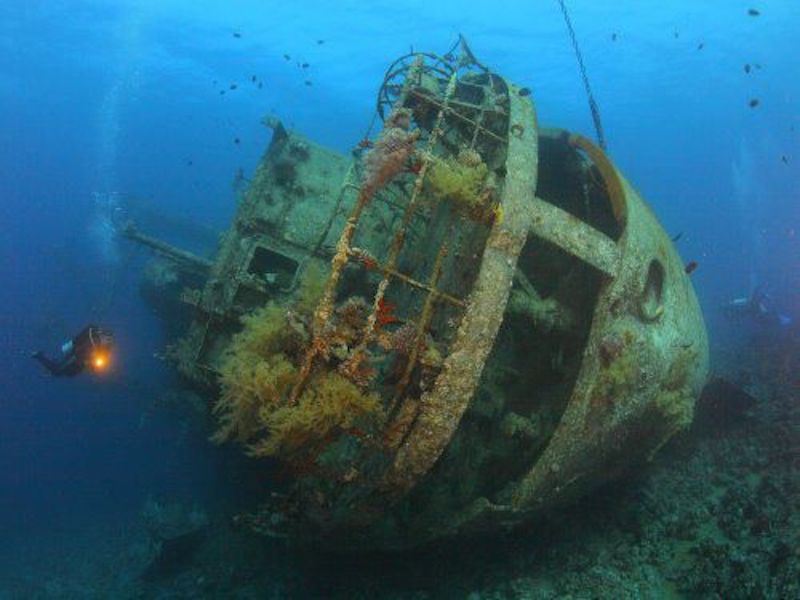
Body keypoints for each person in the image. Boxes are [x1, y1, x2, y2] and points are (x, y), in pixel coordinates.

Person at [32, 325, 114, 377]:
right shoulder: (93, 337)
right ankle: (39, 356)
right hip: (75, 356)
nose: (107, 341)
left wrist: (95, 365)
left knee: (67, 374)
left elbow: (98, 363)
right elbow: (81, 345)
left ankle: (53, 364)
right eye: (107, 338)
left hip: (81, 363)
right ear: (103, 335)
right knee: (57, 371)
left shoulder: (105, 349)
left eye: (109, 340)